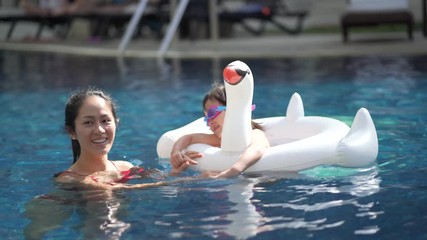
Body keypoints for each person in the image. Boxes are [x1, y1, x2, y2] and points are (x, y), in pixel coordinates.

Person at [55, 87, 185, 189]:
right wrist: (195, 180)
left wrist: (176, 171)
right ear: (72, 131)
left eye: (105, 120)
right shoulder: (69, 179)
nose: (100, 130)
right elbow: (107, 191)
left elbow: (163, 182)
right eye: (88, 122)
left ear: (116, 123)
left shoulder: (125, 167)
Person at [170, 83, 270, 178]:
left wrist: (232, 171)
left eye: (212, 113)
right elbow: (189, 138)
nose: (210, 122)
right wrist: (175, 152)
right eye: (207, 118)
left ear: (235, 109)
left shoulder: (255, 133)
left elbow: (257, 149)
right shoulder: (220, 140)